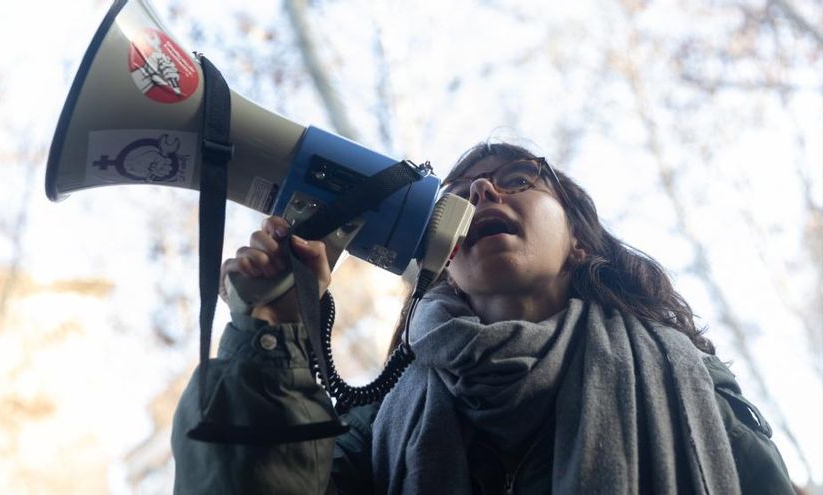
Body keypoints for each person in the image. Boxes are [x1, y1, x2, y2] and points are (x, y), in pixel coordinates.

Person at [172, 141, 794, 494]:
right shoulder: (379, 418)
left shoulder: (683, 381)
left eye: (518, 180)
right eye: (462, 194)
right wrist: (275, 335)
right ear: (442, 260)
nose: (483, 194)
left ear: (578, 241)